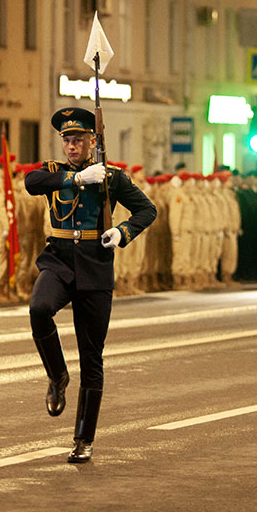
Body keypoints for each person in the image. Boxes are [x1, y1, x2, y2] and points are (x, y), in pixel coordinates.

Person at [25, 107, 157, 463]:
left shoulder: (111, 177)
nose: (72, 146)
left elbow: (147, 210)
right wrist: (79, 180)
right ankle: (56, 376)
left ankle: (84, 438)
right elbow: (31, 183)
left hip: (95, 266)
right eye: (67, 140)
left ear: (92, 141)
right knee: (39, 309)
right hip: (60, 259)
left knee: (92, 357)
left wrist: (122, 231)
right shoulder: (55, 173)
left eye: (79, 140)